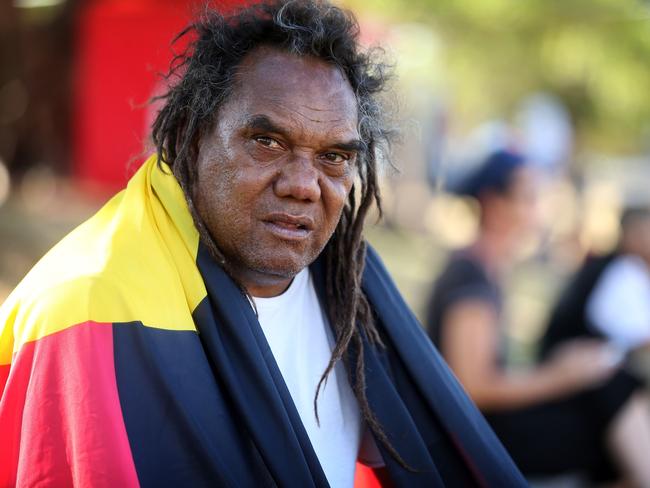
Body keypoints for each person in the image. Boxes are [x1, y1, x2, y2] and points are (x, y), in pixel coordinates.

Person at [0, 2, 526, 486]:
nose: (302, 184)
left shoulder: (347, 280)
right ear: (189, 134)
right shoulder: (87, 305)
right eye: (267, 143)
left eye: (334, 158)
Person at [425, 150, 650, 486]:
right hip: (473, 437)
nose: (538, 210)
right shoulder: (469, 275)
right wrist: (562, 374)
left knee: (612, 388)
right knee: (610, 396)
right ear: (494, 203)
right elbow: (472, 387)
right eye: (528, 198)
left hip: (490, 426)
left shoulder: (487, 269)